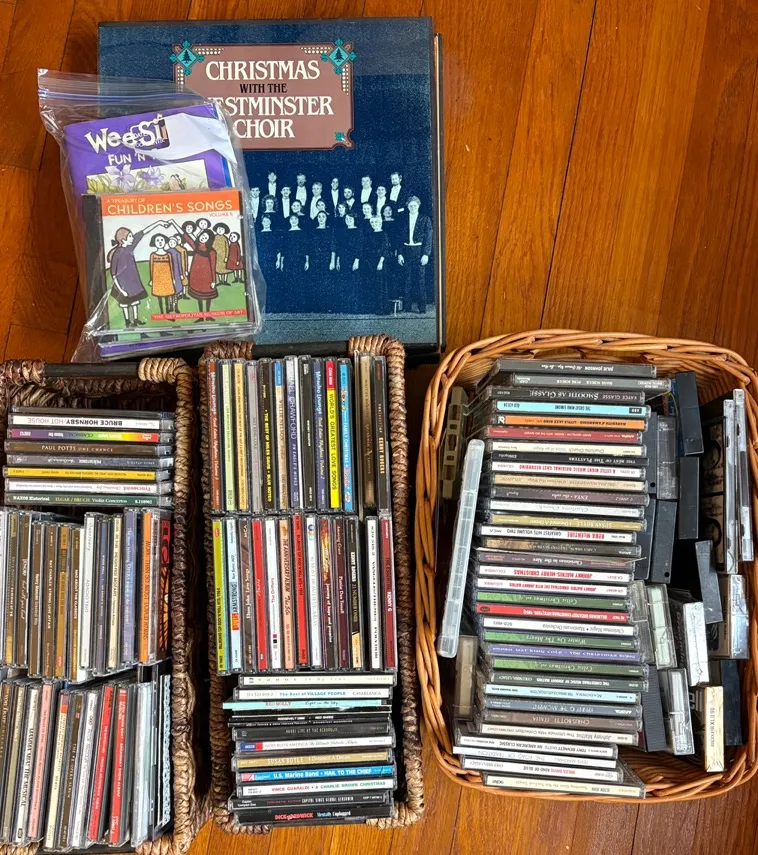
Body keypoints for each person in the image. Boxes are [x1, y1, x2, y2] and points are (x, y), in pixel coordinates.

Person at [107, 220, 166, 327]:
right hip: (123, 285)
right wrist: (121, 290)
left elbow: (142, 233)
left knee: (135, 302)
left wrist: (158, 223)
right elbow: (114, 274)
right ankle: (127, 321)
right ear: (123, 239)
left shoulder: (129, 248)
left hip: (133, 283)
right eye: (130, 236)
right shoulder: (117, 253)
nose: (132, 238)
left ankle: (135, 319)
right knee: (124, 303)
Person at [397, 195, 433, 312]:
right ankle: (407, 307)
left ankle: (422, 307)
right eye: (410, 206)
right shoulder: (402, 219)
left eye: (415, 205)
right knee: (407, 280)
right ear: (407, 206)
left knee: (420, 280)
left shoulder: (425, 219)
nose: (412, 207)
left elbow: (429, 238)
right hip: (406, 251)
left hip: (419, 252)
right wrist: (400, 254)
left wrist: (426, 254)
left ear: (418, 206)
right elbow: (399, 238)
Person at [183, 228, 218, 318]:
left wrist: (214, 281)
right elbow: (187, 238)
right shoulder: (196, 247)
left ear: (209, 240)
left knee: (208, 297)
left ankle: (208, 315)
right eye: (202, 235)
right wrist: (173, 222)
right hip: (196, 276)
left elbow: (213, 267)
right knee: (199, 297)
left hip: (207, 277)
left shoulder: (212, 252)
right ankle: (201, 315)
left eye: (206, 238)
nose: (203, 238)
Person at [280, 213, 309, 312]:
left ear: (298, 221)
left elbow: (305, 249)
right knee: (289, 281)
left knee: (299, 282)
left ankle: (300, 306)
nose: (293, 221)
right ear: (289, 221)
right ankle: (289, 306)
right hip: (288, 260)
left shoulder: (303, 233)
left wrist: (307, 261)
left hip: (299, 260)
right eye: (292, 219)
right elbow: (283, 249)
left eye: (295, 219)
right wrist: (281, 262)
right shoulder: (286, 233)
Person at [336, 210, 363, 312]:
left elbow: (360, 247)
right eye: (346, 219)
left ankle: (354, 308)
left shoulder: (359, 231)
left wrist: (357, 260)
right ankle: (345, 307)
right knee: (344, 282)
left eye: (350, 218)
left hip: (354, 259)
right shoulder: (342, 231)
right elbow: (339, 247)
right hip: (343, 259)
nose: (348, 220)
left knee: (354, 282)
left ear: (354, 219)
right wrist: (338, 260)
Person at [363, 215, 390, 315]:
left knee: (381, 285)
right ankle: (374, 308)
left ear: (380, 223)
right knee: (373, 285)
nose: (374, 224)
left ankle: (382, 308)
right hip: (371, 263)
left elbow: (385, 249)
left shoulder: (384, 234)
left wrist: (381, 262)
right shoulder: (369, 235)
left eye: (376, 222)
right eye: (372, 222)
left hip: (380, 262)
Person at [148, 233, 176, 316]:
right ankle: (161, 313)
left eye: (161, 240)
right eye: (157, 240)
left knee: (167, 296)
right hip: (157, 279)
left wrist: (173, 279)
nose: (160, 242)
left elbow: (171, 267)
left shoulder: (168, 254)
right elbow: (151, 268)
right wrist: (151, 279)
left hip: (167, 278)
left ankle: (167, 313)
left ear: (165, 242)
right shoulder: (153, 255)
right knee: (159, 297)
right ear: (154, 243)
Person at [256, 214, 281, 307]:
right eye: (264, 221)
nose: (266, 223)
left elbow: (278, 249)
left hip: (272, 260)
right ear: (262, 223)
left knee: (272, 282)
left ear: (270, 222)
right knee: (261, 283)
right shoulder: (258, 235)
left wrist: (278, 261)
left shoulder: (274, 234)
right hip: (262, 260)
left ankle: (272, 305)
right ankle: (262, 305)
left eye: (267, 221)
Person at [167, 236, 186, 310]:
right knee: (169, 291)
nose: (172, 243)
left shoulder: (177, 253)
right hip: (169, 273)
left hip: (177, 273)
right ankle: (170, 306)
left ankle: (175, 306)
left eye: (173, 242)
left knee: (176, 290)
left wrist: (181, 274)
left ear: (176, 243)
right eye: (170, 242)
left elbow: (179, 264)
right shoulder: (166, 252)